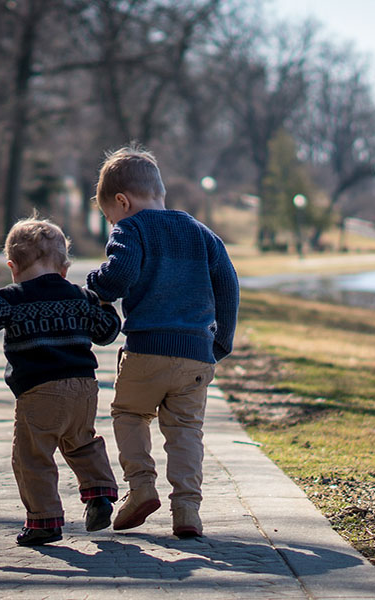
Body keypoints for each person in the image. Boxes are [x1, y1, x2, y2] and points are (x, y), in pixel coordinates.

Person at [0, 217, 121, 546]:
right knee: (82, 442)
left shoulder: (11, 298)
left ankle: (44, 521)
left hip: (40, 391)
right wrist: (106, 305)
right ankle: (99, 495)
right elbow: (106, 332)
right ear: (64, 267)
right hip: (84, 388)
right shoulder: (79, 296)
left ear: (12, 266)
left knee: (32, 456)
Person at [86, 145, 239, 538]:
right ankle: (187, 510)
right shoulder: (200, 232)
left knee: (129, 414)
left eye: (109, 216)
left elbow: (118, 277)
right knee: (186, 429)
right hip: (196, 355)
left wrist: (95, 284)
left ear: (123, 201)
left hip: (147, 350)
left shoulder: (131, 228)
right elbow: (228, 285)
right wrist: (221, 341)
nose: (111, 222)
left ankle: (141, 488)